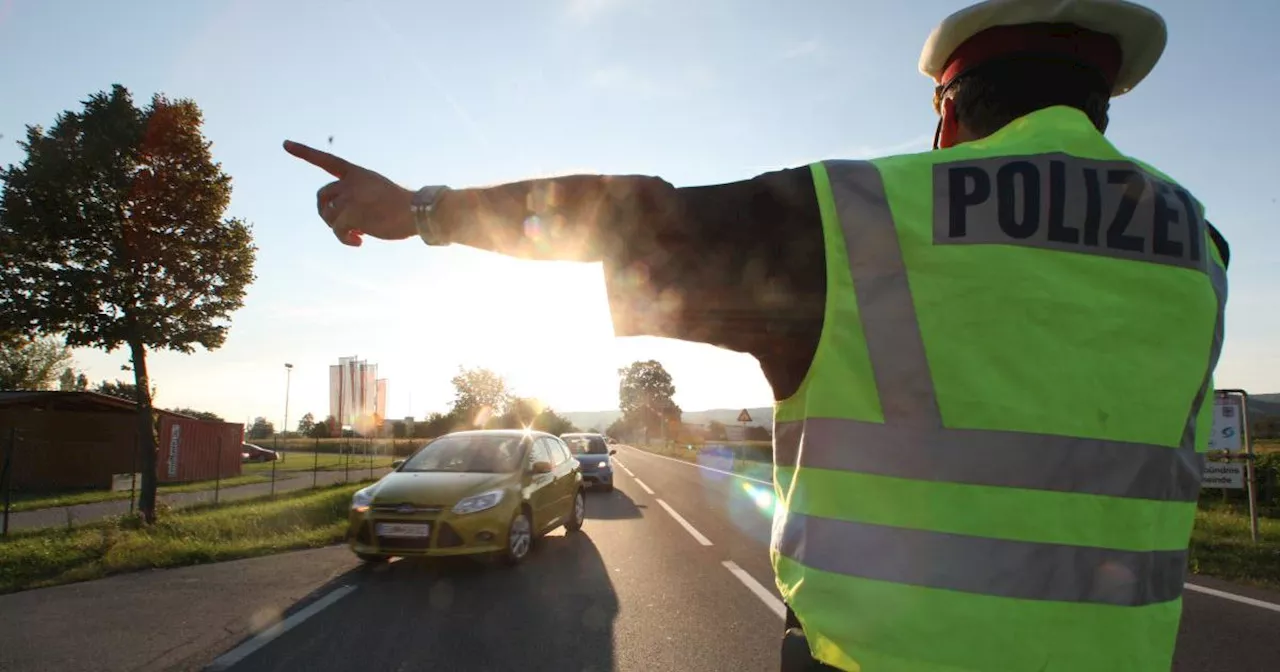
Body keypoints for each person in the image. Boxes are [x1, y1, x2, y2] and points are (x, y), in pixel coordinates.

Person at [285, 0, 1229, 668]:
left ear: (949, 111)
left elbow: (628, 215)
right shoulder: (1201, 249)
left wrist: (425, 209)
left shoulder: (864, 215)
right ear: (1103, 105)